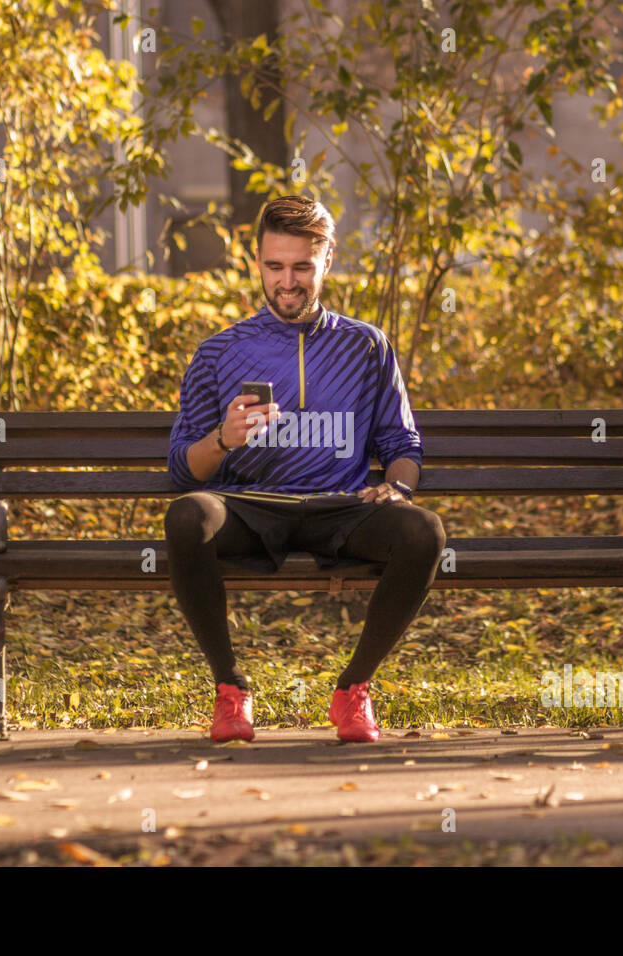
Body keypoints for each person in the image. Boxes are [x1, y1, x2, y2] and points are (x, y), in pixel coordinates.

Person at [164, 195, 447, 743]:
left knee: (423, 531)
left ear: (328, 262)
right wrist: (223, 438)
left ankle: (353, 692)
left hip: (340, 508)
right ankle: (230, 692)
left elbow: (401, 441)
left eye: (301, 267)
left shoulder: (366, 346)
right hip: (248, 507)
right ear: (257, 264)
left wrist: (397, 486)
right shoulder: (220, 352)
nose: (287, 282)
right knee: (186, 517)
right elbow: (183, 468)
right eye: (274, 266)